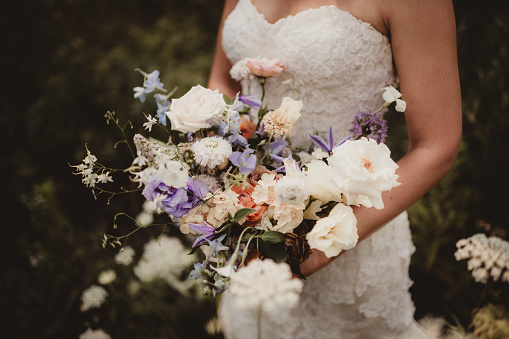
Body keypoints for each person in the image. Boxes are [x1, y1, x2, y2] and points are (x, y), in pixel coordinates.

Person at [208, 0, 462, 338]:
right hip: (246, 234)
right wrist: (214, 173)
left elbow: (436, 146)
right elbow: (223, 83)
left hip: (350, 239)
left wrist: (314, 251)